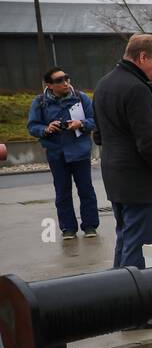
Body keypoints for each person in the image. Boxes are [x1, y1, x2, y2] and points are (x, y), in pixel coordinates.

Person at [93, 34, 152, 269]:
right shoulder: (137, 89)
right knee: (137, 249)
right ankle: (133, 301)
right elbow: (148, 143)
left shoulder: (104, 83)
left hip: (116, 178)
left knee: (125, 240)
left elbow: (98, 134)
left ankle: (116, 295)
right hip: (140, 183)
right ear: (142, 57)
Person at [27, 68, 100, 239]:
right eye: (59, 80)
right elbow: (32, 126)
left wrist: (80, 124)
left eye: (66, 78)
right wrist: (46, 128)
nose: (65, 82)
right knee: (62, 192)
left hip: (80, 152)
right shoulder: (40, 102)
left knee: (86, 190)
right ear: (49, 85)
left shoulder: (81, 98)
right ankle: (68, 228)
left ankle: (90, 226)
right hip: (56, 154)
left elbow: (94, 120)